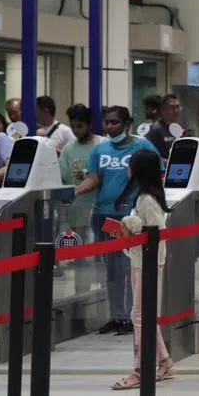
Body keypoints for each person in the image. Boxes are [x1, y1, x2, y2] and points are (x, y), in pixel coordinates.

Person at [73, 106, 161, 335]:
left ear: (127, 124)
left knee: (133, 267)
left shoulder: (142, 147)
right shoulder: (101, 150)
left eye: (115, 122)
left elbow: (156, 173)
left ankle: (134, 315)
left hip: (133, 217)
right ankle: (117, 315)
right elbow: (94, 178)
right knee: (112, 270)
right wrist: (75, 191)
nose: (110, 127)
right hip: (105, 215)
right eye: (107, 123)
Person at [112, 149, 175, 389]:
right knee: (143, 315)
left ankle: (140, 369)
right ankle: (165, 361)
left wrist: (130, 223)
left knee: (139, 315)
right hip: (141, 261)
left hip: (148, 263)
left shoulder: (146, 199)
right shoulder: (147, 196)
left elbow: (156, 230)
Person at [58, 104, 101, 237]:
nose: (76, 130)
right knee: (78, 249)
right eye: (73, 127)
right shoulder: (68, 148)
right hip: (75, 210)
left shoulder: (102, 145)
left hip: (97, 207)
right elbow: (62, 176)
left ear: (89, 125)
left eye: (80, 126)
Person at [145, 94, 181, 160]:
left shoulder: (180, 128)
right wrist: (170, 164)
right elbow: (151, 155)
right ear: (162, 110)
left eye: (178, 107)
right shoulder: (155, 129)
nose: (176, 111)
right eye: (172, 108)